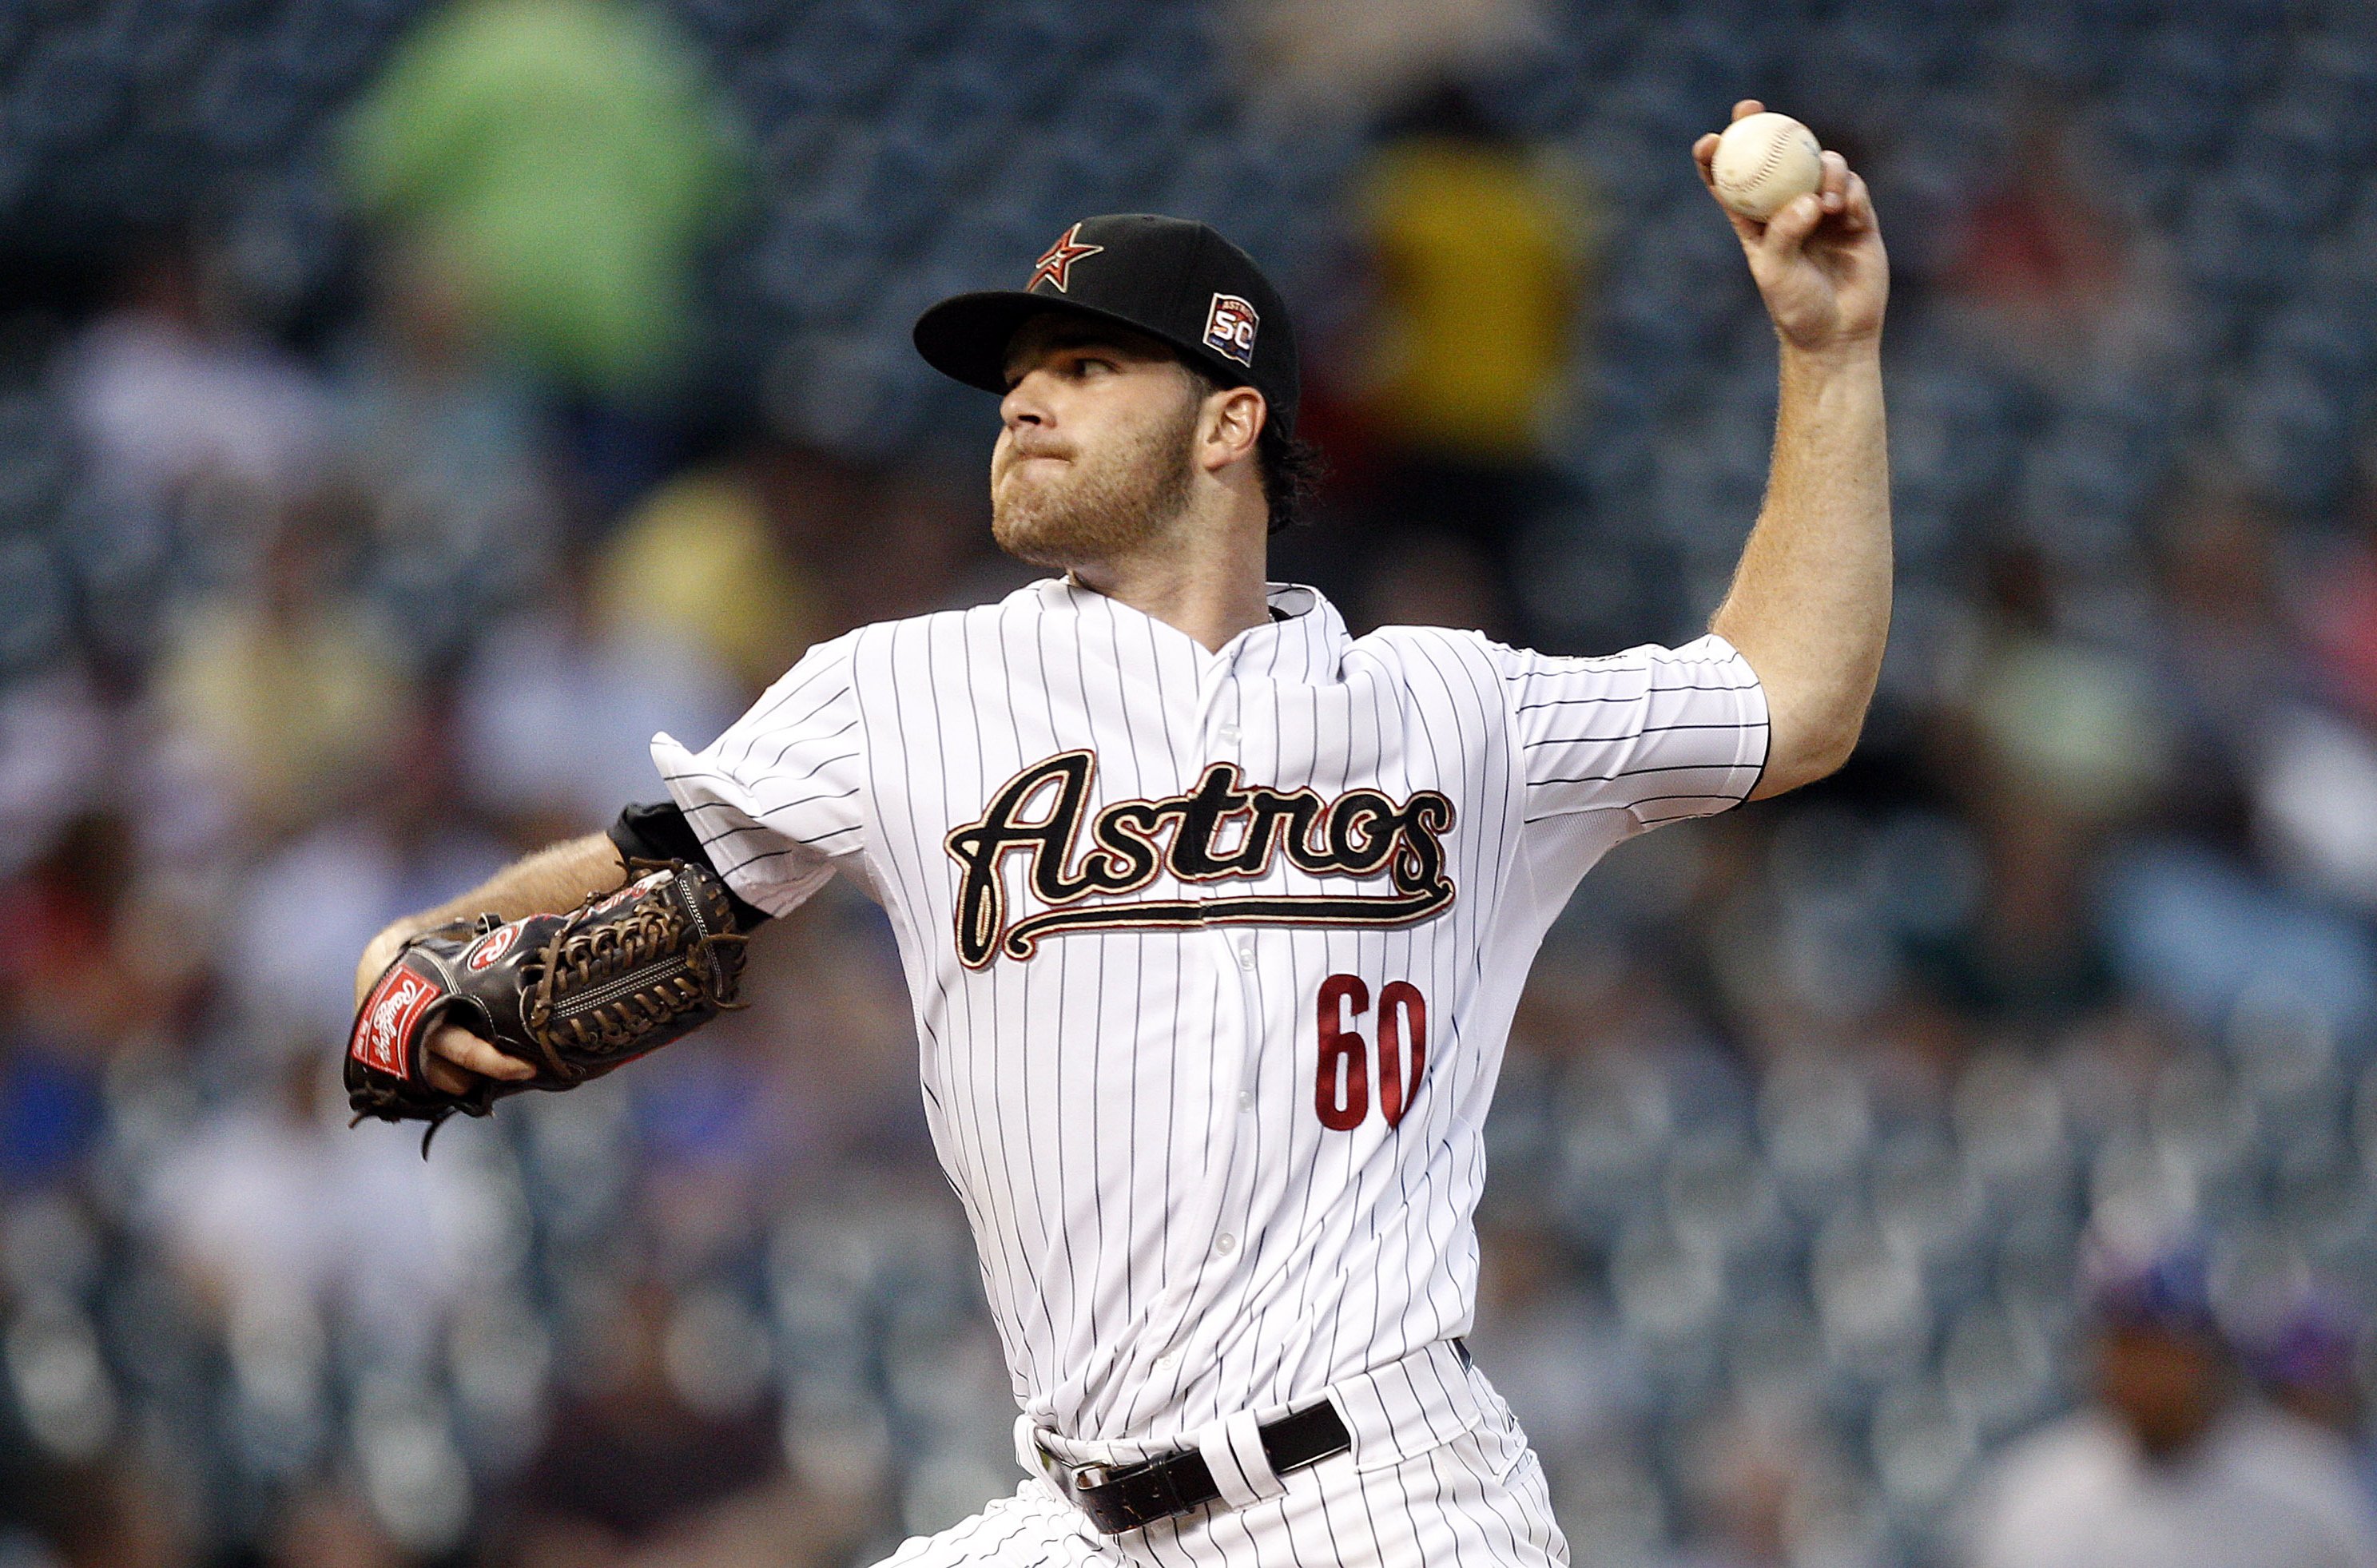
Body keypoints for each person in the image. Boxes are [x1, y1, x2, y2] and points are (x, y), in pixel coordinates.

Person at [352, 100, 1890, 1566]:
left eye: (1088, 366)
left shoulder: (1451, 708)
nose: (1024, 398)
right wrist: (423, 947)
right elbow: (650, 872)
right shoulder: (901, 688)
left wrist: (1830, 352)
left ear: (1231, 419)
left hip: (1385, 1491)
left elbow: (1794, 697)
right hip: (1084, 1511)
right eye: (1022, 370)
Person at [1957, 1237, 2377, 1568]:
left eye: (2163, 1349)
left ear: (2206, 1352)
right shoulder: (2032, 1499)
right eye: (2126, 1346)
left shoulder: (2306, 1490)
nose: (2145, 1372)